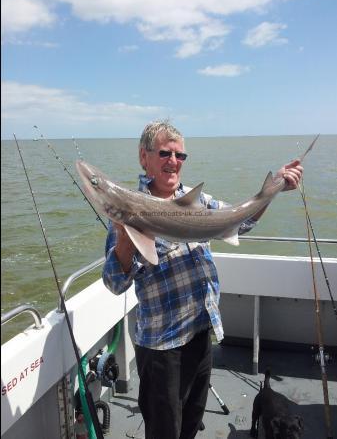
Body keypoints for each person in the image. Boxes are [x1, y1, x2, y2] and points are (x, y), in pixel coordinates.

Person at [102, 120, 303, 439]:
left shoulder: (198, 201)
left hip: (201, 332)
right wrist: (127, 231)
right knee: (165, 430)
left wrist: (274, 188)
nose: (173, 161)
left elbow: (243, 222)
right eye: (165, 153)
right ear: (144, 156)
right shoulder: (130, 205)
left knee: (192, 422)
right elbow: (114, 282)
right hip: (163, 346)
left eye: (180, 156)